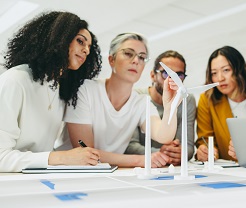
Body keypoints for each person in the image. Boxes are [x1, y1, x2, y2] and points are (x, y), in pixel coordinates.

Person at [0, 11, 102, 172]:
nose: (86, 51)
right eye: (80, 41)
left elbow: (41, 153)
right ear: (60, 38)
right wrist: (63, 157)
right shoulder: (15, 80)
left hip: (39, 181)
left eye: (89, 47)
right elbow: (1, 157)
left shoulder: (60, 90)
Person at [63, 33, 179, 168]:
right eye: (129, 54)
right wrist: (139, 160)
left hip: (107, 174)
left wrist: (171, 107)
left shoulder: (141, 102)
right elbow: (84, 151)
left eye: (142, 57)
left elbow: (164, 136)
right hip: (68, 172)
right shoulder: (85, 90)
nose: (136, 60)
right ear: (111, 59)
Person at [196, 46, 246, 162]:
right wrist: (206, 151)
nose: (219, 78)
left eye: (226, 70)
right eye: (214, 73)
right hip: (227, 171)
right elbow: (204, 139)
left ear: (240, 69)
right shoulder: (206, 100)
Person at [125, 50, 196, 165]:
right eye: (166, 73)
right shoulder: (136, 97)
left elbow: (187, 147)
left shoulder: (187, 99)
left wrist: (180, 152)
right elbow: (129, 146)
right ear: (153, 75)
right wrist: (160, 153)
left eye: (179, 75)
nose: (172, 80)